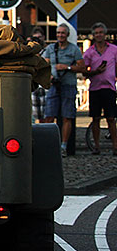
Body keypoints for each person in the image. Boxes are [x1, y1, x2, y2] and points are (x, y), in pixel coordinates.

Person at [40, 24, 84, 156]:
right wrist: (50, 74)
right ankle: (49, 145)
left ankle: (64, 146)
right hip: (54, 85)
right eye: (58, 33)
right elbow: (44, 63)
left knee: (67, 116)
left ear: (67, 34)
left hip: (68, 85)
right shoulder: (51, 48)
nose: (60, 35)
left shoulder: (74, 49)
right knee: (49, 115)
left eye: (63, 33)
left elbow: (82, 67)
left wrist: (67, 67)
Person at [82, 22, 117, 155]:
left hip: (109, 87)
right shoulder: (89, 52)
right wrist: (95, 72)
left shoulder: (113, 49)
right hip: (95, 88)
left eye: (101, 32)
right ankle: (96, 146)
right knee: (95, 118)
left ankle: (115, 145)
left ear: (105, 34)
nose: (99, 35)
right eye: (96, 33)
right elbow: (84, 71)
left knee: (111, 118)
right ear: (93, 35)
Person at [30, 27, 47, 123]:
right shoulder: (30, 52)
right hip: (34, 85)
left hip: (44, 85)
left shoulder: (48, 50)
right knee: (34, 114)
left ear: (43, 37)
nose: (38, 40)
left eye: (39, 37)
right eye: (35, 38)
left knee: (46, 114)